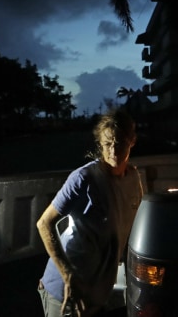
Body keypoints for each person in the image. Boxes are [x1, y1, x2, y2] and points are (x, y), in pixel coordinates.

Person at [36, 109, 143, 317]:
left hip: (98, 291)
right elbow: (44, 223)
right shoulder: (84, 177)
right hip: (65, 292)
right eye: (107, 143)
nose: (113, 150)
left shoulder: (133, 178)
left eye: (119, 142)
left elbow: (131, 224)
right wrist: (67, 275)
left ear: (132, 141)